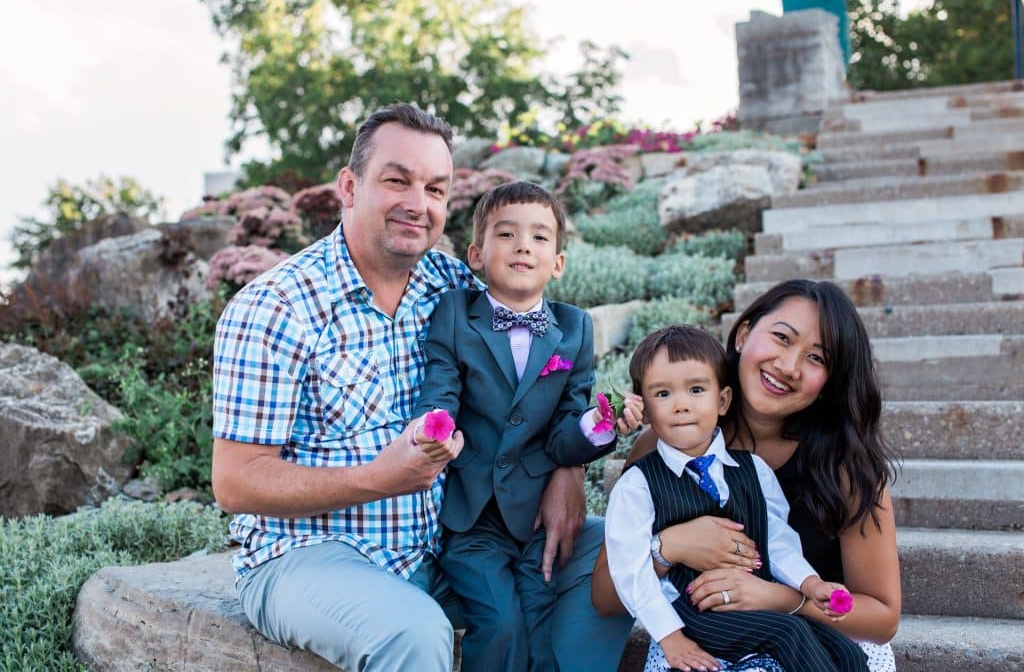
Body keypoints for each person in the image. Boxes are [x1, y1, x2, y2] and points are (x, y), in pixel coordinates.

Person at [210, 103, 634, 671]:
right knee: (413, 632)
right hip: (310, 554)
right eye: (397, 180)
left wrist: (567, 471)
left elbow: (531, 391)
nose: (418, 203)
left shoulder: (451, 284)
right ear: (349, 186)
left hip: (451, 543)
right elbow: (235, 482)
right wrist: (376, 479)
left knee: (619, 550)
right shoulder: (275, 307)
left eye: (435, 188)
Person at [592, 280, 901, 672]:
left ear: (830, 380)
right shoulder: (664, 446)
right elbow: (605, 597)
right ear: (743, 334)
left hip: (817, 637)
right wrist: (670, 547)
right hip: (700, 638)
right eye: (781, 338)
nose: (788, 366)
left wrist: (780, 598)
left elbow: (883, 617)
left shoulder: (847, 466)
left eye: (816, 359)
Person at [411, 180, 641, 672]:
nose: (522, 246)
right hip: (473, 519)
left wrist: (600, 426)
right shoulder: (456, 313)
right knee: (500, 624)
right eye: (507, 234)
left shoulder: (573, 327)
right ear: (476, 254)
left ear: (557, 263)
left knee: (539, 630)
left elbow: (564, 429)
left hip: (537, 520)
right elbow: (442, 381)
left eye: (539, 237)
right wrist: (435, 426)